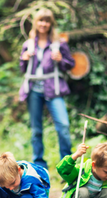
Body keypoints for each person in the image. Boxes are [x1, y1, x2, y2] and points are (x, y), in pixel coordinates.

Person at [19, 8, 76, 169]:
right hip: (33, 90)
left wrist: (61, 59)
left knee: (63, 126)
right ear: (35, 23)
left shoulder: (59, 44)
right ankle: (39, 164)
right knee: (36, 129)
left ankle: (66, 164)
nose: (43, 24)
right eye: (40, 20)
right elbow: (23, 69)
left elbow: (70, 64)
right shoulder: (28, 44)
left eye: (46, 21)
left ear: (51, 24)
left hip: (53, 88)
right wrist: (23, 59)